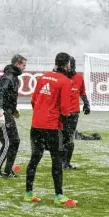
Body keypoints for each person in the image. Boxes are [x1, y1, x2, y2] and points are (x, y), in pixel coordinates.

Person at [25, 52, 77, 205]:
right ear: (67, 65)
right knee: (57, 160)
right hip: (52, 127)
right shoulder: (66, 81)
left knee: (35, 158)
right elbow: (65, 108)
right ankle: (59, 196)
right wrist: (64, 123)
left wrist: (41, 114)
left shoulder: (43, 77)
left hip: (36, 125)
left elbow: (33, 101)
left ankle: (28, 193)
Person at [0, 54, 27, 178]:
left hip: (7, 112)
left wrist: (13, 110)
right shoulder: (8, 77)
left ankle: (8, 171)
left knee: (15, 141)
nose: (25, 68)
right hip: (1, 112)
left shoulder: (14, 77)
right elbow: (0, 94)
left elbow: (9, 97)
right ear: (17, 64)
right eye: (23, 65)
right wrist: (0, 112)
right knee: (7, 143)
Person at [62, 56, 91, 170]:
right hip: (61, 113)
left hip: (74, 113)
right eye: (67, 66)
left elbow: (82, 92)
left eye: (71, 66)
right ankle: (59, 161)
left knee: (69, 138)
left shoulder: (79, 78)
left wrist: (86, 103)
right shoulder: (60, 78)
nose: (69, 69)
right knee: (61, 138)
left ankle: (66, 163)